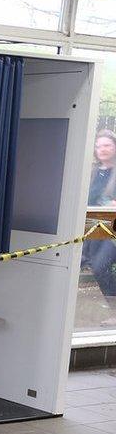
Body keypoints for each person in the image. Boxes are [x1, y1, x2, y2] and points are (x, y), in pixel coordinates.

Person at [85, 129, 116, 325]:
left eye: (106, 145)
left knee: (100, 266)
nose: (102, 149)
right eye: (98, 146)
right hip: (93, 227)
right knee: (94, 267)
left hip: (112, 230)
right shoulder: (93, 172)